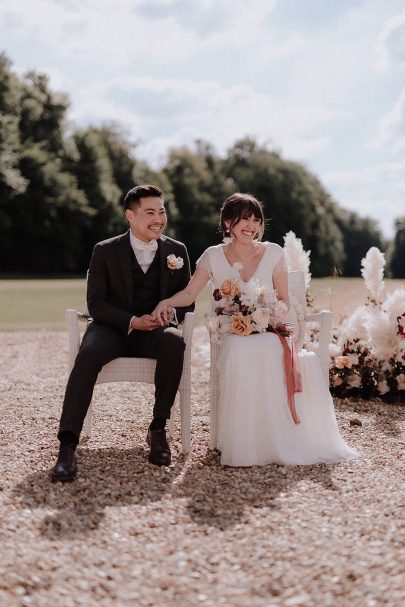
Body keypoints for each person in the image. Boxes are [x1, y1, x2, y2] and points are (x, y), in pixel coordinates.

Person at [154, 193, 358, 467]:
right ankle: (246, 445)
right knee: (240, 348)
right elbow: (190, 293)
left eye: (255, 220)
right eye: (243, 219)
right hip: (231, 330)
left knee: (268, 347)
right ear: (228, 223)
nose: (250, 226)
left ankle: (277, 440)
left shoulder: (273, 252)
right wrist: (167, 301)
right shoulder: (213, 256)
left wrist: (268, 314)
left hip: (268, 327)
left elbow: (284, 300)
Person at [51, 184, 194, 481]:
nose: (159, 218)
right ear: (130, 215)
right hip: (111, 329)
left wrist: (170, 313)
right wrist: (132, 320)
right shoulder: (104, 250)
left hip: (155, 331)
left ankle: (157, 430)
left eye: (162, 211)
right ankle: (67, 446)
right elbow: (96, 304)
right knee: (88, 353)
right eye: (150, 212)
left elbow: (187, 301)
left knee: (173, 342)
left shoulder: (177, 251)